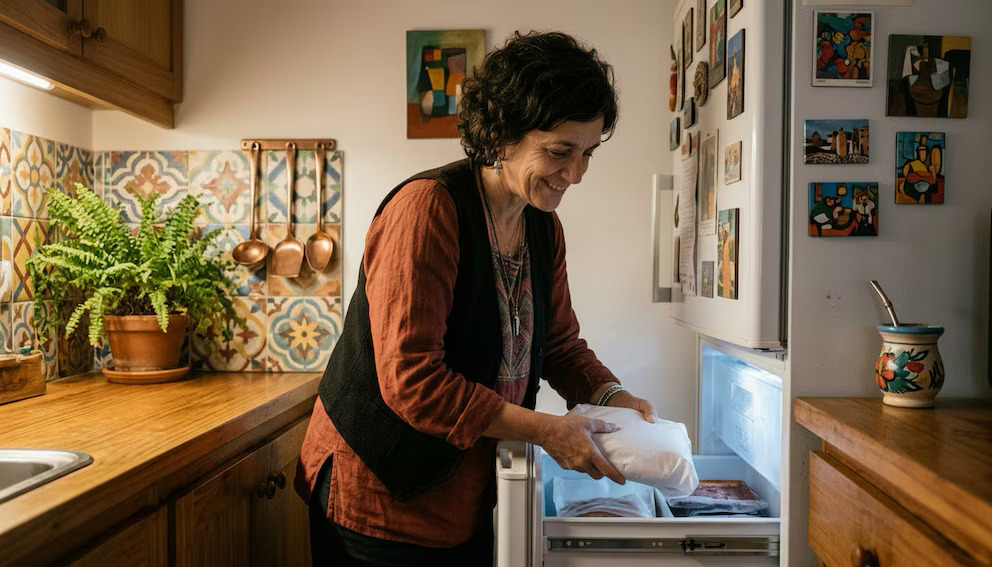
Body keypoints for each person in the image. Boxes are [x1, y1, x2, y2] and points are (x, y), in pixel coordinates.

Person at [296, 30, 657, 567]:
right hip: (379, 494)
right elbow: (412, 379)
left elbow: (559, 345)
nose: (576, 175)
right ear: (503, 134)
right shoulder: (427, 210)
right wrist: (547, 431)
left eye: (587, 154)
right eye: (560, 152)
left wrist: (612, 395)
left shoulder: (542, 227)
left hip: (466, 492)